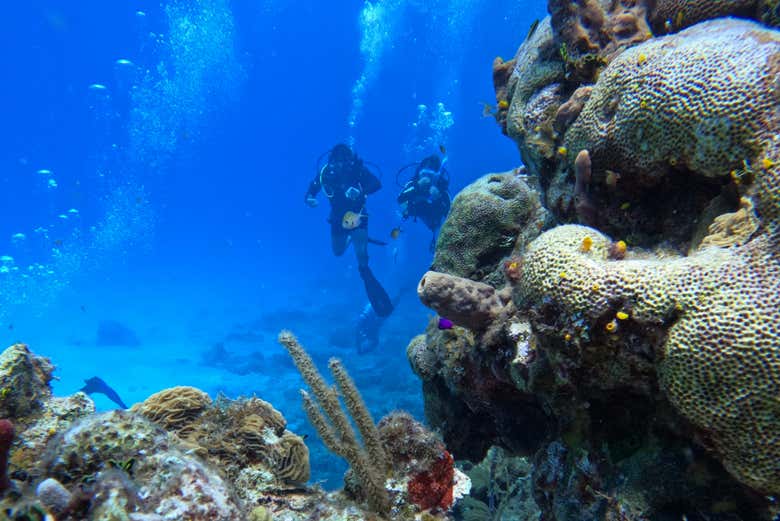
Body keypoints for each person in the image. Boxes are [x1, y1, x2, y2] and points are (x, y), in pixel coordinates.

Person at [305, 144, 394, 317]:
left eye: (345, 161)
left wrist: (360, 190)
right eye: (338, 162)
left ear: (351, 160)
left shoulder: (358, 170)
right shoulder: (326, 173)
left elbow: (376, 184)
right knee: (337, 252)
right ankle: (353, 238)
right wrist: (308, 198)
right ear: (332, 161)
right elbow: (313, 188)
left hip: (358, 215)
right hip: (338, 218)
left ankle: (364, 271)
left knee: (361, 256)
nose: (342, 165)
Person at [397, 154, 451, 251]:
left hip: (433, 217)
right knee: (405, 212)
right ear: (419, 174)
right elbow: (400, 199)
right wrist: (416, 188)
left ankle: (436, 238)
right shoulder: (412, 184)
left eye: (430, 175)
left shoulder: (442, 189)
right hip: (415, 211)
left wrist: (438, 197)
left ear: (436, 177)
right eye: (423, 175)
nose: (426, 179)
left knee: (438, 227)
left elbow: (449, 211)